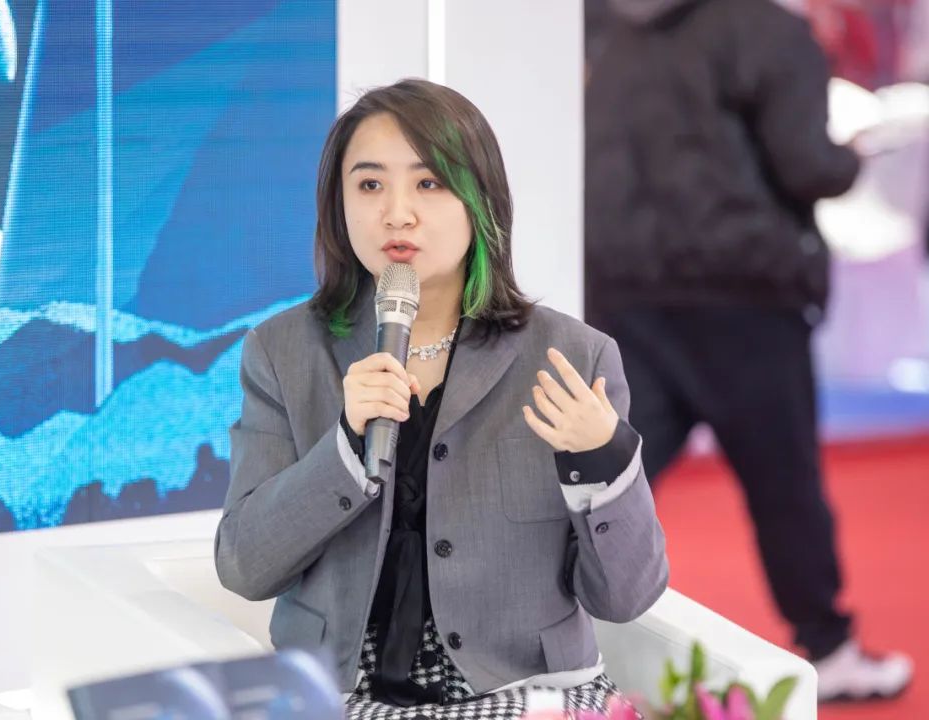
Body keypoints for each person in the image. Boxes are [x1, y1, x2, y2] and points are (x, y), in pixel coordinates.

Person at [216, 78, 668, 719]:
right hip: (344, 698)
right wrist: (344, 445)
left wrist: (603, 459)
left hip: (525, 695)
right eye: (370, 185)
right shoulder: (282, 351)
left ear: (481, 200)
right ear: (338, 206)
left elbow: (624, 598)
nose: (397, 213)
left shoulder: (573, 356)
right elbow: (243, 566)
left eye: (428, 183)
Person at [583, 0, 913, 703]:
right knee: (783, 483)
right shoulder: (768, 31)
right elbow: (809, 164)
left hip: (627, 289)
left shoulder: (617, 35)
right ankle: (830, 646)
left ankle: (535, 619)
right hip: (743, 294)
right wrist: (850, 157)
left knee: (611, 467)